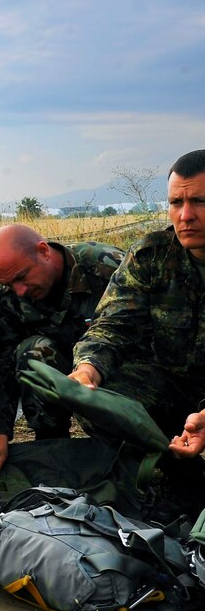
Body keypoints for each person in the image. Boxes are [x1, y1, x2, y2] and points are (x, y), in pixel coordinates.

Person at [69, 149, 205, 514]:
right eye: (176, 202)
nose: (185, 215)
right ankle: (173, 476)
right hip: (171, 386)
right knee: (99, 401)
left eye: (199, 201)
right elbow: (113, 325)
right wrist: (87, 370)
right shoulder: (152, 256)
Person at [0, 224, 124, 475]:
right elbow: (3, 369)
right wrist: (0, 435)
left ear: (44, 251)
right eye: (9, 284)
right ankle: (52, 443)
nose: (20, 291)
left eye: (22, 277)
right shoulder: (10, 299)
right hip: (65, 370)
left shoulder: (107, 267)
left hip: (116, 370)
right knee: (32, 352)